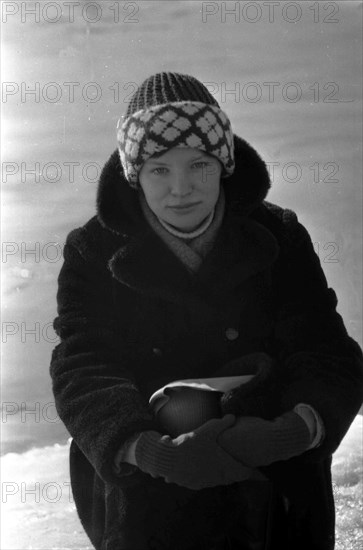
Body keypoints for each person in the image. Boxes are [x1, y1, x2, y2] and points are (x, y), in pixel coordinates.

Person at [50, 72, 363, 550]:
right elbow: (83, 365)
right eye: (159, 169)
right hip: (149, 485)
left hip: (272, 476)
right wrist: (147, 451)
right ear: (134, 174)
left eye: (198, 164)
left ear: (224, 164)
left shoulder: (279, 236)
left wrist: (294, 431)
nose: (181, 189)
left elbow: (325, 349)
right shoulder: (91, 252)